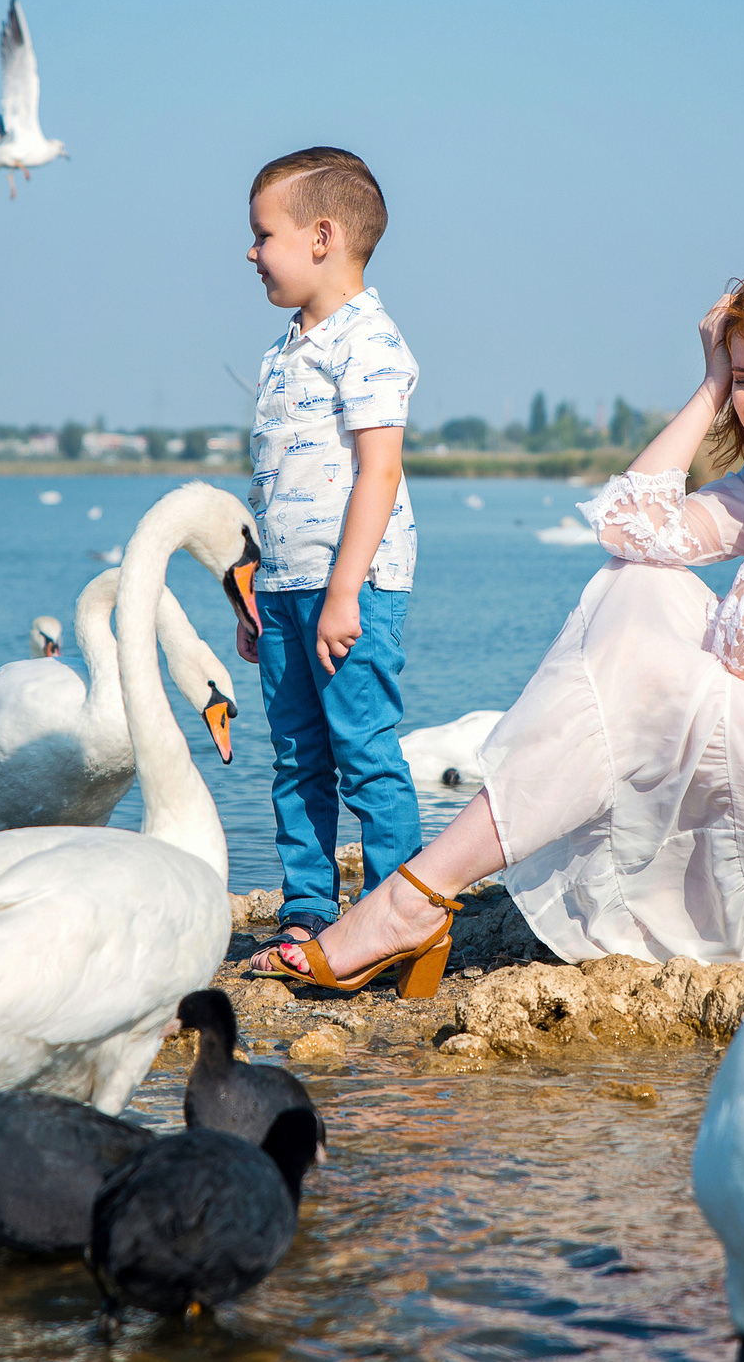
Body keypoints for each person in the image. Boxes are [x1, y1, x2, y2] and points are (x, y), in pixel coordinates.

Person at [260, 259, 744, 988]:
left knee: (646, 648)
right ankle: (418, 894)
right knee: (640, 584)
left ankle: (414, 897)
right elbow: (624, 525)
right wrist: (711, 387)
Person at [238, 146, 422, 959]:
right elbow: (276, 482)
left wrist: (345, 591)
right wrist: (255, 587)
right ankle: (309, 909)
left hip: (352, 584)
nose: (250, 252)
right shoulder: (284, 350)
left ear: (321, 238)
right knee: (296, 758)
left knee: (365, 753)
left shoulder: (369, 341)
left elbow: (379, 470)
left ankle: (396, 918)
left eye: (262, 235)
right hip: (285, 586)